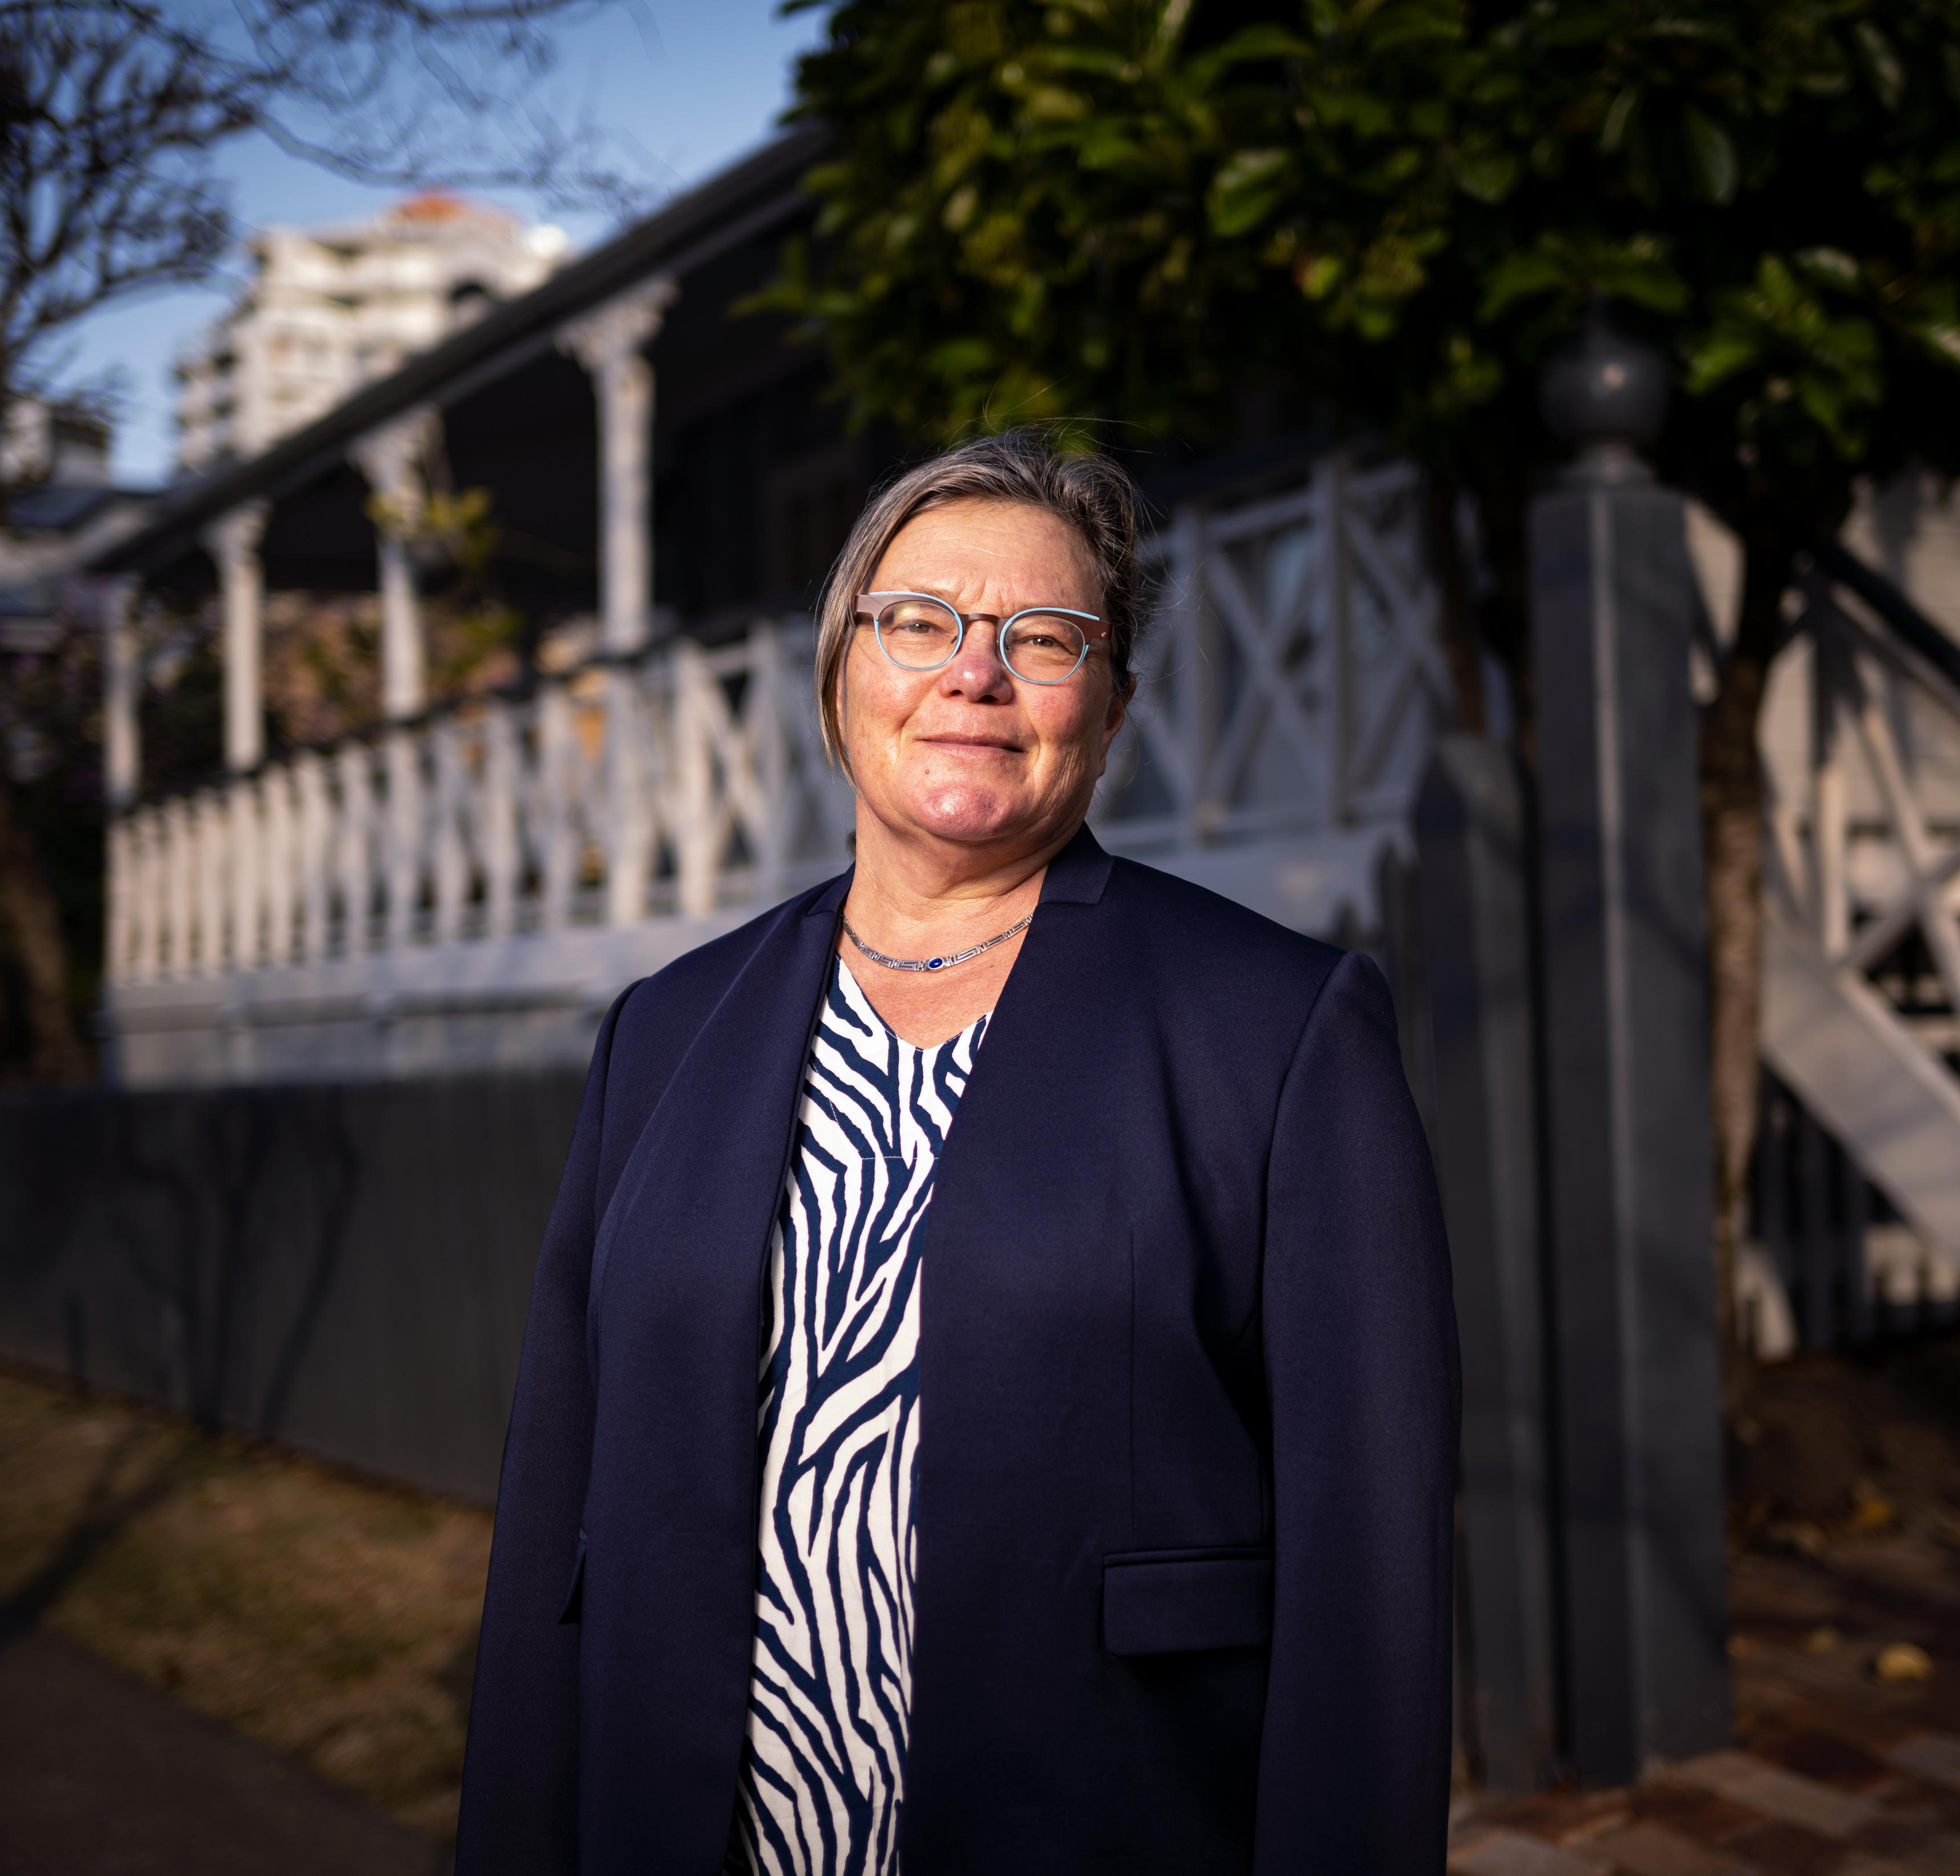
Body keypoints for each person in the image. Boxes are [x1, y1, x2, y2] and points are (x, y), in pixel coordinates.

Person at [455, 429, 1456, 1875]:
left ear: (1106, 708)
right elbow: (556, 1517)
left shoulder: (1280, 1030)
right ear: (840, 671)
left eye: (1041, 638)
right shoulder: (664, 1033)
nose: (972, 673)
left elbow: (1373, 1578)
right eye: (918, 622)